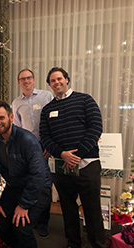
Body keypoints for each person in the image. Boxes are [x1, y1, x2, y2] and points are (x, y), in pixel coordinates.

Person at [40, 67, 106, 248]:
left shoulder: (85, 100)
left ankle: (98, 244)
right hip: (62, 167)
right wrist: (62, 154)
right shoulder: (47, 109)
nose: (57, 83)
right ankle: (73, 243)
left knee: (92, 209)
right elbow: (45, 136)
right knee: (68, 209)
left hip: (87, 164)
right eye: (53, 81)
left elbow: (95, 128)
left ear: (67, 80)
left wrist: (76, 156)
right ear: (49, 85)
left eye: (59, 79)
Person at [0, 100, 52, 248]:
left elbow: (38, 175)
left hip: (39, 189)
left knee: (22, 228)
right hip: (15, 187)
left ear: (10, 117)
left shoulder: (27, 140)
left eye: (1, 118)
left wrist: (24, 205)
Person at [12, 68, 53, 238]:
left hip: (47, 146)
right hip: (29, 149)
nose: (26, 81)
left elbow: (53, 121)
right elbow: (17, 128)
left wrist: (50, 147)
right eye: (23, 79)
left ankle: (43, 222)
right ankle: (33, 219)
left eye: (29, 78)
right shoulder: (16, 103)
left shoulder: (46, 96)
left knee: (45, 185)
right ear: (19, 82)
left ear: (34, 80)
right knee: (33, 183)